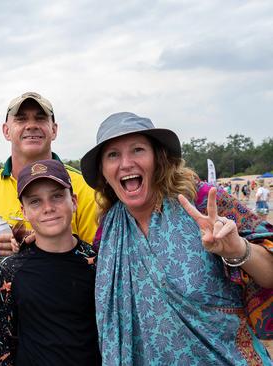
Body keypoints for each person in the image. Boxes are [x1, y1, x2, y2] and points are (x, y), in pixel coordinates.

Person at [80, 112, 273, 364]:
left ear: (158, 158)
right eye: (113, 154)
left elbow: (269, 272)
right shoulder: (107, 231)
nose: (126, 163)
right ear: (103, 171)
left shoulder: (202, 199)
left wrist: (237, 250)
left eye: (138, 150)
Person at [0, 92, 98, 258]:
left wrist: (38, 245)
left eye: (40, 118)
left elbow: (97, 259)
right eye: (21, 119)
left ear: (54, 130)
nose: (31, 125)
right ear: (6, 131)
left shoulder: (84, 188)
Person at [0, 159, 100, 365]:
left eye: (57, 196)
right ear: (24, 212)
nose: (48, 208)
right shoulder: (10, 270)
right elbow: (4, 338)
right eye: (35, 201)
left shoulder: (97, 263)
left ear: (74, 202)